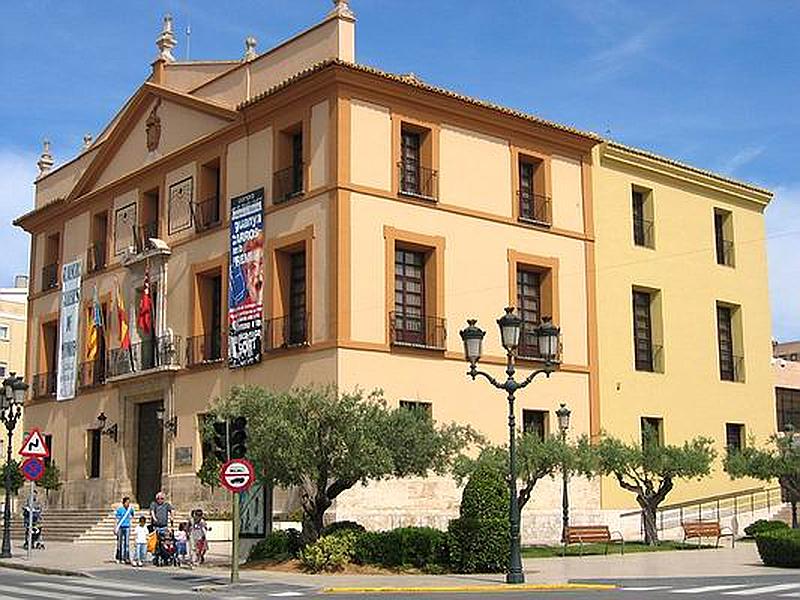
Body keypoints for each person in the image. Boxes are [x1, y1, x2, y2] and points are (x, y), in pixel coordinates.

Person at [114, 497, 134, 564]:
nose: (128, 504)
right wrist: (115, 527)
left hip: (127, 527)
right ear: (123, 503)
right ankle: (119, 557)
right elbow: (117, 519)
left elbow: (132, 515)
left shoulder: (130, 509)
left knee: (127, 543)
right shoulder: (120, 510)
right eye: (126, 502)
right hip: (120, 527)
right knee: (119, 543)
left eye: (129, 502)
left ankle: (126, 557)